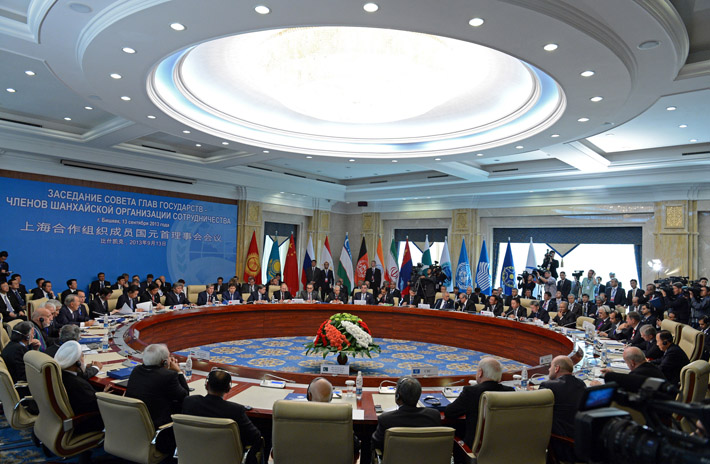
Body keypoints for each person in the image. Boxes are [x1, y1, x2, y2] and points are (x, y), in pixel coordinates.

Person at [182, 369, 263, 464]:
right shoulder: (235, 410)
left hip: (192, 456)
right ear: (228, 388)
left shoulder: (189, 402)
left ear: (206, 385)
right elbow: (256, 437)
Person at [126, 344, 189, 454]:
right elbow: (185, 396)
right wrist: (178, 372)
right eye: (169, 357)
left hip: (132, 425)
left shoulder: (136, 370)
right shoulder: (168, 376)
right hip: (157, 428)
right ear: (164, 362)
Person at [444, 358, 513, 448]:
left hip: (474, 449)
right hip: (503, 447)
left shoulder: (471, 391)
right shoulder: (510, 392)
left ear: (480, 372)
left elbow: (449, 412)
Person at [372, 376, 440, 453]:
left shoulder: (386, 419)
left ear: (398, 396)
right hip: (426, 458)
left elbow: (376, 444)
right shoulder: (433, 416)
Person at [539, 356, 586, 462]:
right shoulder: (581, 384)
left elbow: (538, 411)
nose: (549, 369)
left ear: (557, 368)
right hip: (580, 442)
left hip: (561, 445)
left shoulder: (548, 386)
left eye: (551, 366)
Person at [54, 341, 105, 438]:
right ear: (77, 363)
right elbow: (96, 405)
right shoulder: (78, 384)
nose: (83, 360)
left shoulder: (59, 375)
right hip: (83, 424)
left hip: (60, 421)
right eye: (82, 356)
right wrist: (104, 395)